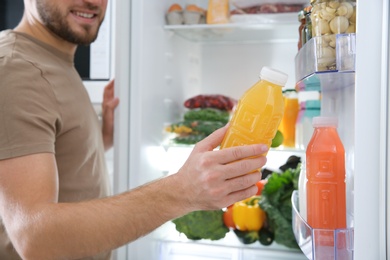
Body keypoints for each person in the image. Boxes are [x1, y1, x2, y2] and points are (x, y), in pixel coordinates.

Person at [0, 0, 268, 259]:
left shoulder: (51, 58)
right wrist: (182, 191)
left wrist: (103, 136)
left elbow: (52, 157)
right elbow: (35, 239)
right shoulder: (17, 69)